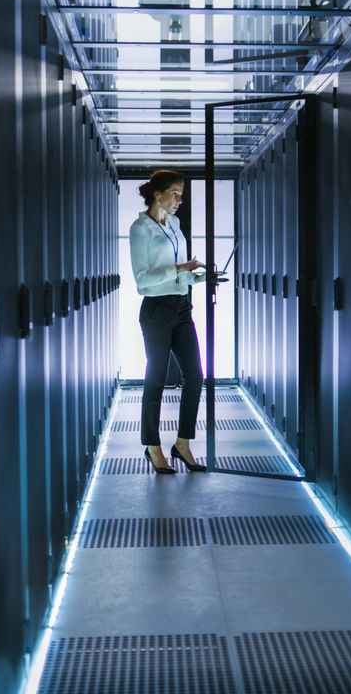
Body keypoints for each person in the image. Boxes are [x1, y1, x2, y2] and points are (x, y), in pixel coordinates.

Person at [129, 170, 209, 474]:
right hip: (156, 310)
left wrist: (196, 277)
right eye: (175, 193)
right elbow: (142, 281)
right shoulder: (140, 229)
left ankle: (183, 443)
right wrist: (180, 267)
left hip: (181, 306)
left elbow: (179, 274)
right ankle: (152, 446)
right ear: (157, 194)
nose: (180, 199)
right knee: (156, 379)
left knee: (195, 375)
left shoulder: (175, 225)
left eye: (182, 193)